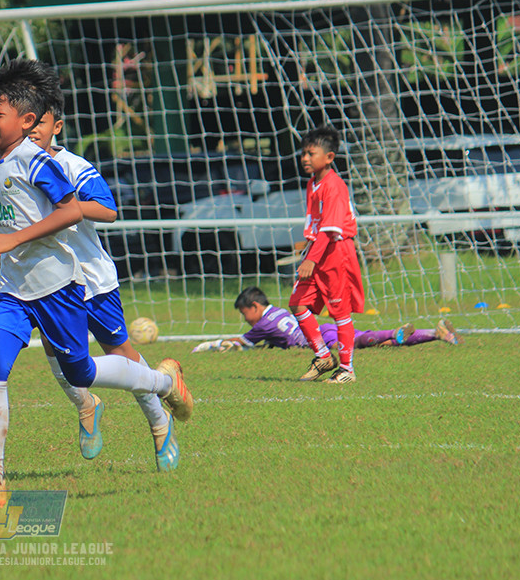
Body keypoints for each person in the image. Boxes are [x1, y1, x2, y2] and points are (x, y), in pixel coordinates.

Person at [0, 59, 194, 507]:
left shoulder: (43, 162)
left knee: (84, 371)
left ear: (32, 121)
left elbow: (73, 210)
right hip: (15, 292)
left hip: (63, 284)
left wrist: (14, 239)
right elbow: (1, 225)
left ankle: (161, 387)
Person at [27, 87, 180, 472]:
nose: (31, 131)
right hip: (47, 280)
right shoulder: (13, 165)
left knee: (120, 353)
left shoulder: (73, 166)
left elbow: (108, 210)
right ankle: (86, 404)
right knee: (53, 349)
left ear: (56, 126)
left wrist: (66, 207)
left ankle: (160, 424)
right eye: (26, 122)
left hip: (91, 279)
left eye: (39, 123)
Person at [289, 126, 365, 383]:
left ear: (329, 157)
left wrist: (312, 258)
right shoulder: (313, 183)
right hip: (318, 249)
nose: (305, 158)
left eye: (311, 153)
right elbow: (317, 226)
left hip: (336, 251)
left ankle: (347, 369)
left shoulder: (334, 186)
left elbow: (330, 228)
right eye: (303, 153)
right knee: (298, 302)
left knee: (340, 311)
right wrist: (308, 253)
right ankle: (323, 356)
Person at [193, 286, 463, 353]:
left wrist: (210, 345)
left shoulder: (262, 323)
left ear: (254, 307)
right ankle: (434, 332)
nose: (245, 320)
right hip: (322, 328)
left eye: (244, 314)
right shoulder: (277, 311)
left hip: (319, 338)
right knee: (376, 342)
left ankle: (394, 332)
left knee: (358, 340)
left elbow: (241, 343)